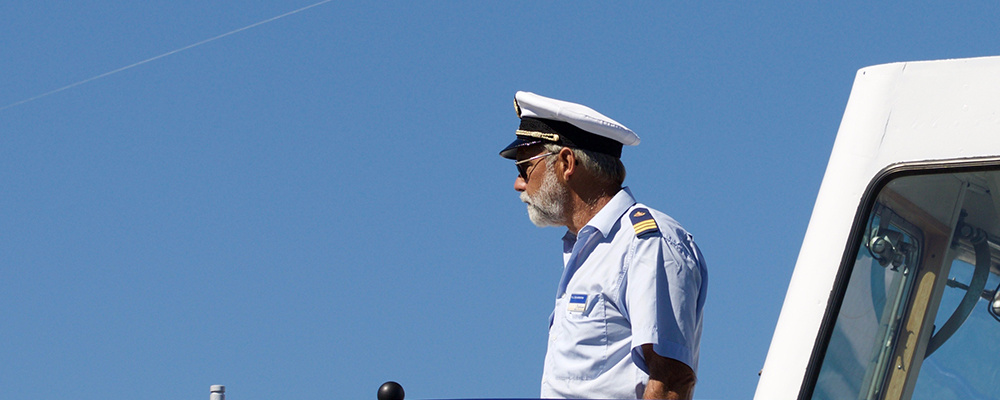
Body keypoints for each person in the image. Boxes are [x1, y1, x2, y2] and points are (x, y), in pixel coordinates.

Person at [499, 92, 708, 399]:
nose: (518, 184)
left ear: (566, 163)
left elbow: (670, 380)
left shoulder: (646, 244)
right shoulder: (589, 251)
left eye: (523, 169)